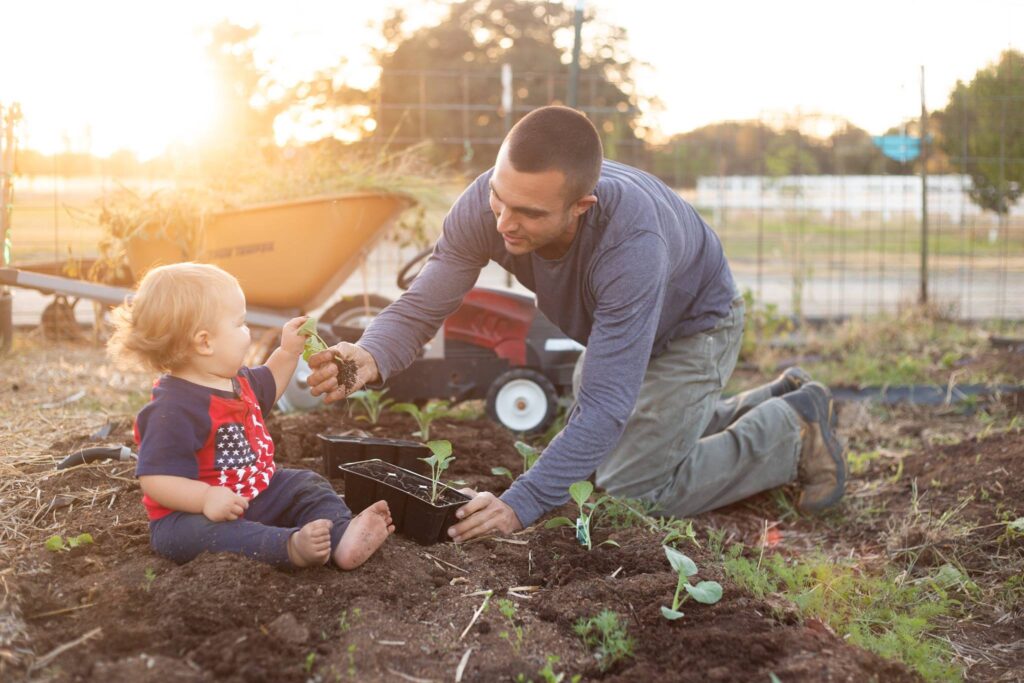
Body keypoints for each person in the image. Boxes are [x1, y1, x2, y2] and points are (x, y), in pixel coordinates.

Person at [307, 106, 847, 542]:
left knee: (633, 487)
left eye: (529, 214)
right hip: (621, 330)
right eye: (499, 198)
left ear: (580, 207)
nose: (503, 223)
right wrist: (371, 353)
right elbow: (425, 302)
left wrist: (522, 502)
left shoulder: (630, 245)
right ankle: (761, 402)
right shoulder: (490, 203)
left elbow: (607, 407)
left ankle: (790, 430)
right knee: (595, 445)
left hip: (694, 327)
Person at [108, 262, 394, 568]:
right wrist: (205, 498)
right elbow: (157, 479)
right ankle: (288, 547)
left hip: (257, 493)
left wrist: (288, 352)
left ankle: (341, 538)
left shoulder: (237, 381)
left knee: (305, 484)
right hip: (191, 514)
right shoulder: (172, 408)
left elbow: (271, 381)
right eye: (240, 323)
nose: (248, 332)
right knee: (202, 536)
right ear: (205, 342)